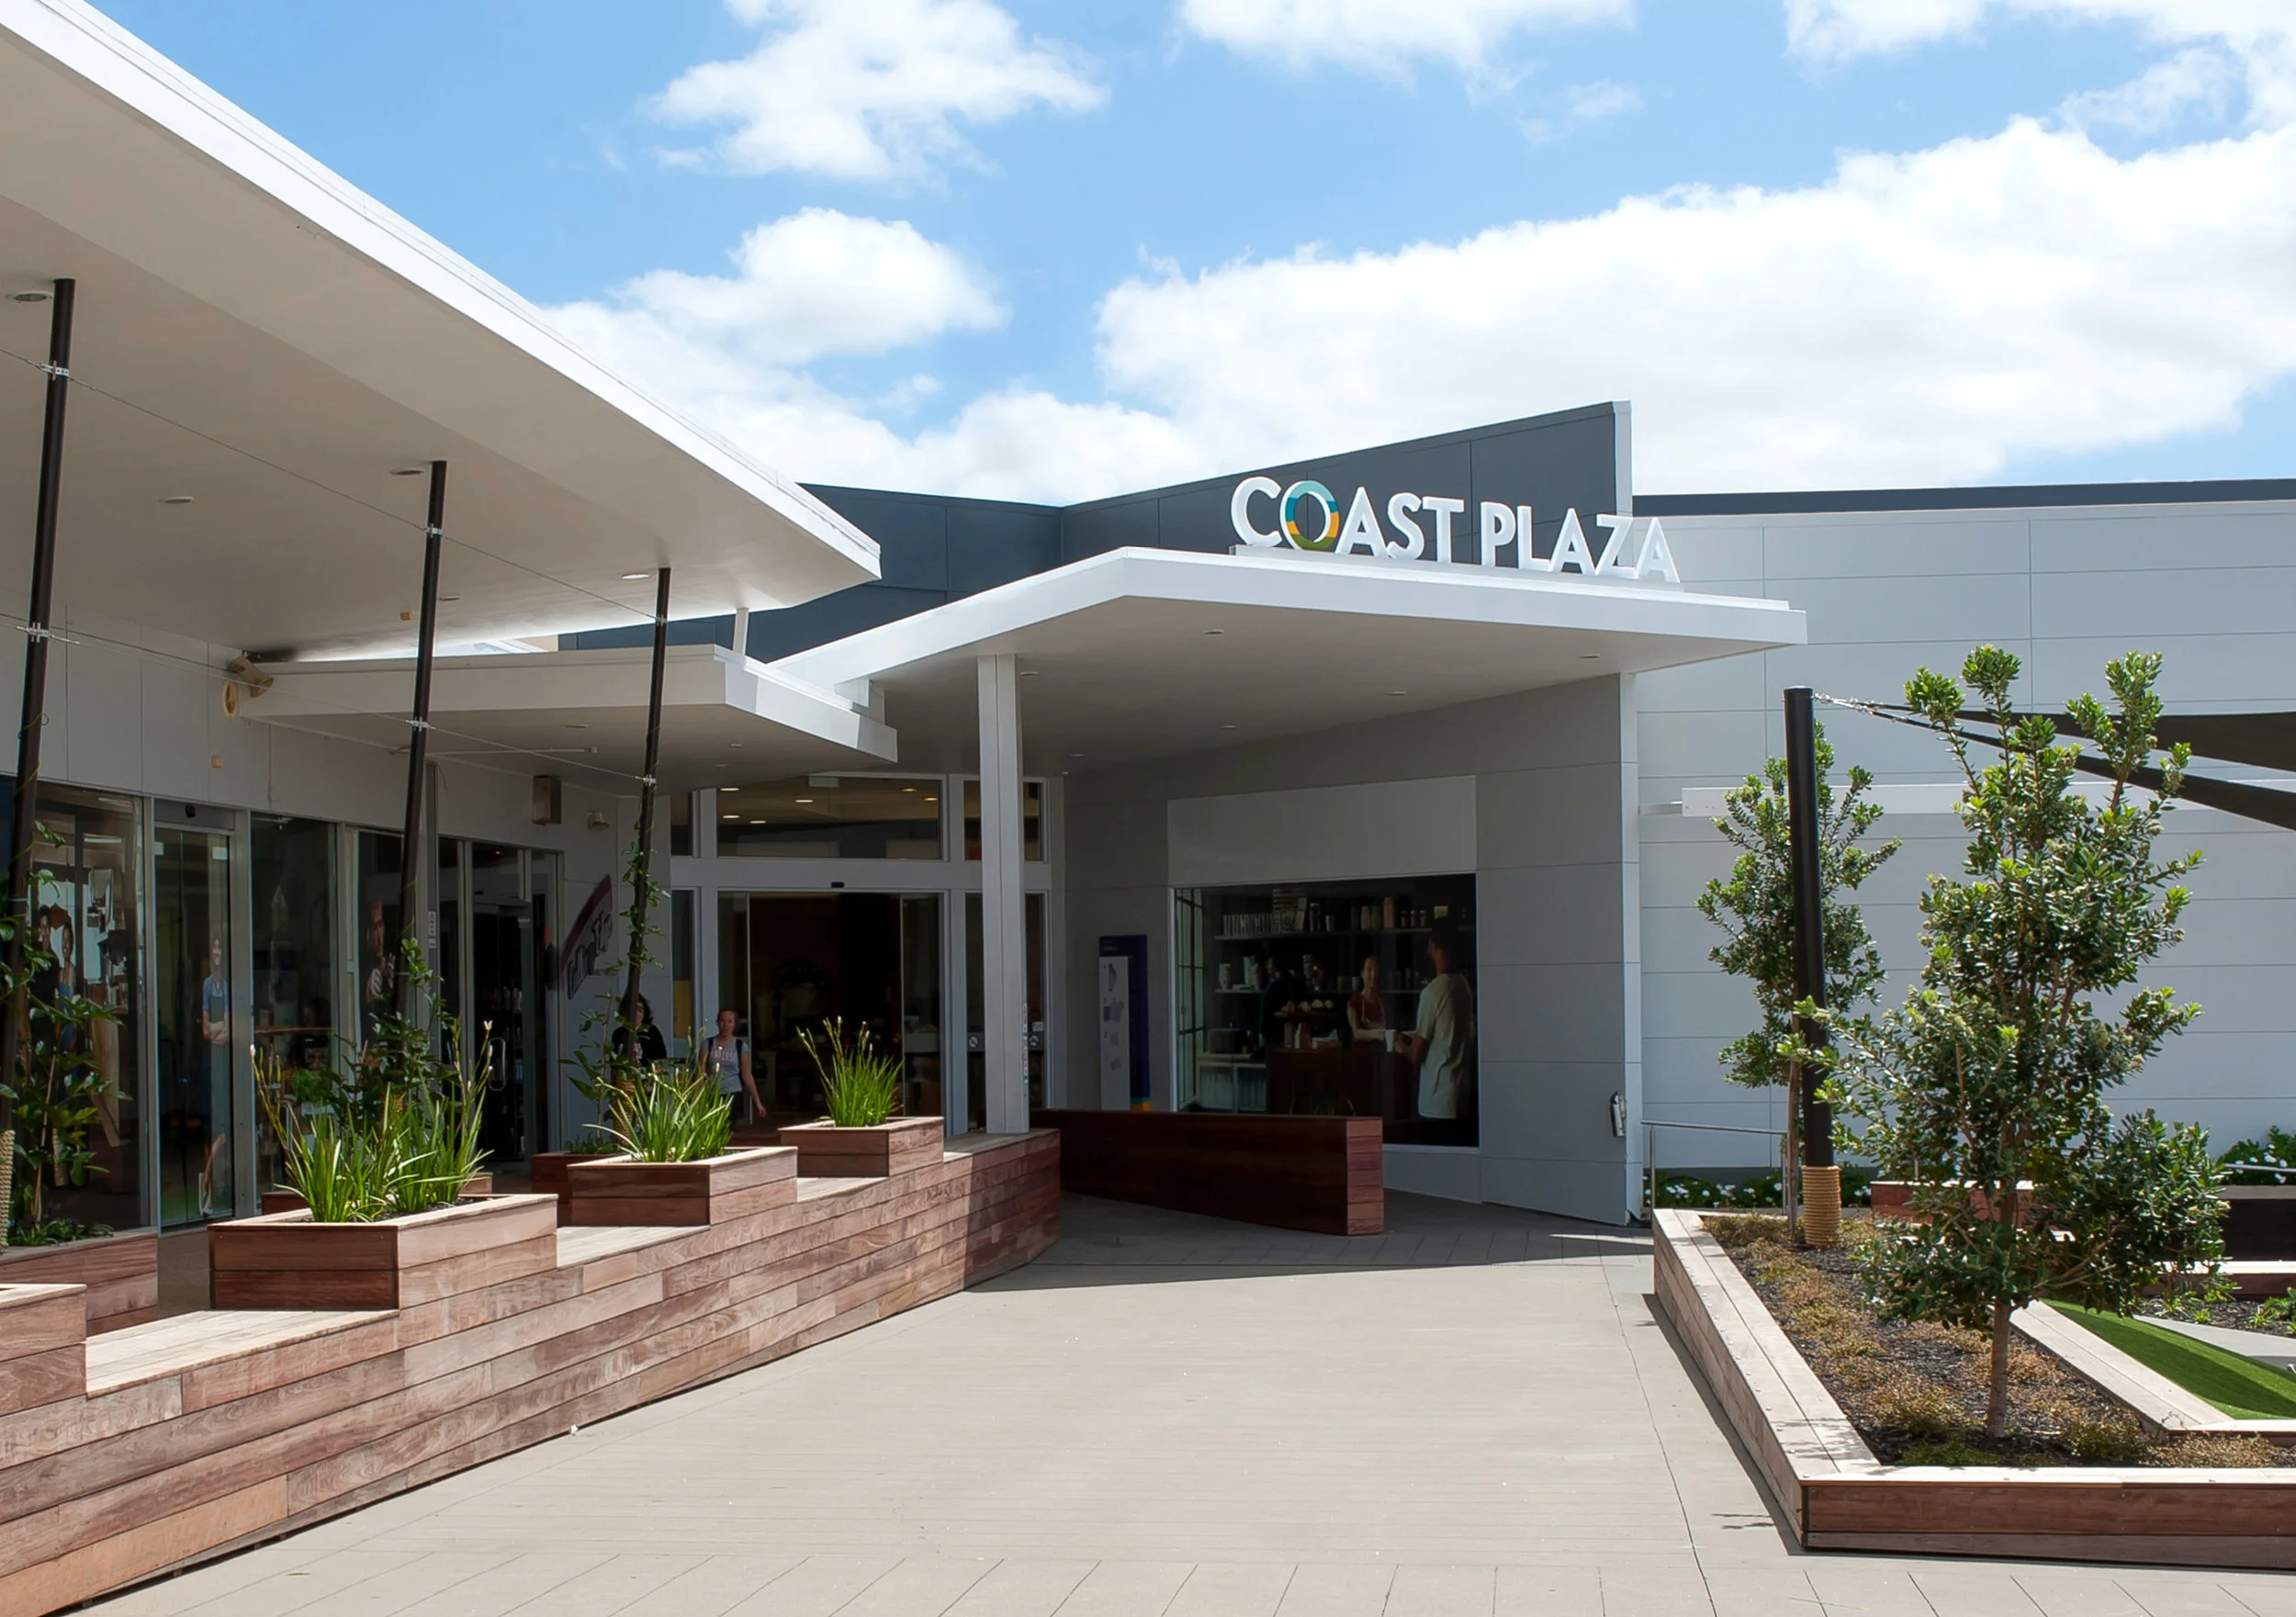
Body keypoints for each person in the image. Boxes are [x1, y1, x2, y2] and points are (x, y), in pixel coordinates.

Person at [1395, 923, 1474, 1122]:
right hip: (1462, 1096)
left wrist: (1400, 1046)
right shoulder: (1464, 987)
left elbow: (1416, 1054)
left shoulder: (1433, 992)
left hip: (1436, 1102)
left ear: (1432, 946)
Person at [705, 1008, 766, 1124]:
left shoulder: (740, 1046)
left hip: (732, 1092)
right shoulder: (708, 1044)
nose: (725, 1025)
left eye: (729, 1021)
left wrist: (757, 1102)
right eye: (722, 1021)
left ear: (735, 1024)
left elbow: (747, 1076)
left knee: (728, 1126)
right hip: (712, 1092)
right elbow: (699, 1072)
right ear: (718, 1023)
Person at [612, 994, 669, 1064]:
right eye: (632, 1009)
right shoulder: (618, 1033)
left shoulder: (652, 1031)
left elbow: (660, 1060)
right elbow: (614, 1062)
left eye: (640, 1009)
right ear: (624, 1012)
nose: (636, 1013)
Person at [1345, 955, 1390, 1044]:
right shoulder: (1355, 1002)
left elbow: (1391, 1031)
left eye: (1376, 970)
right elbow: (1356, 1033)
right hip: (1361, 1052)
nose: (1373, 974)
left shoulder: (1384, 1003)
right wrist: (1377, 1034)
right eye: (1369, 969)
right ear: (1362, 973)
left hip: (1382, 1051)